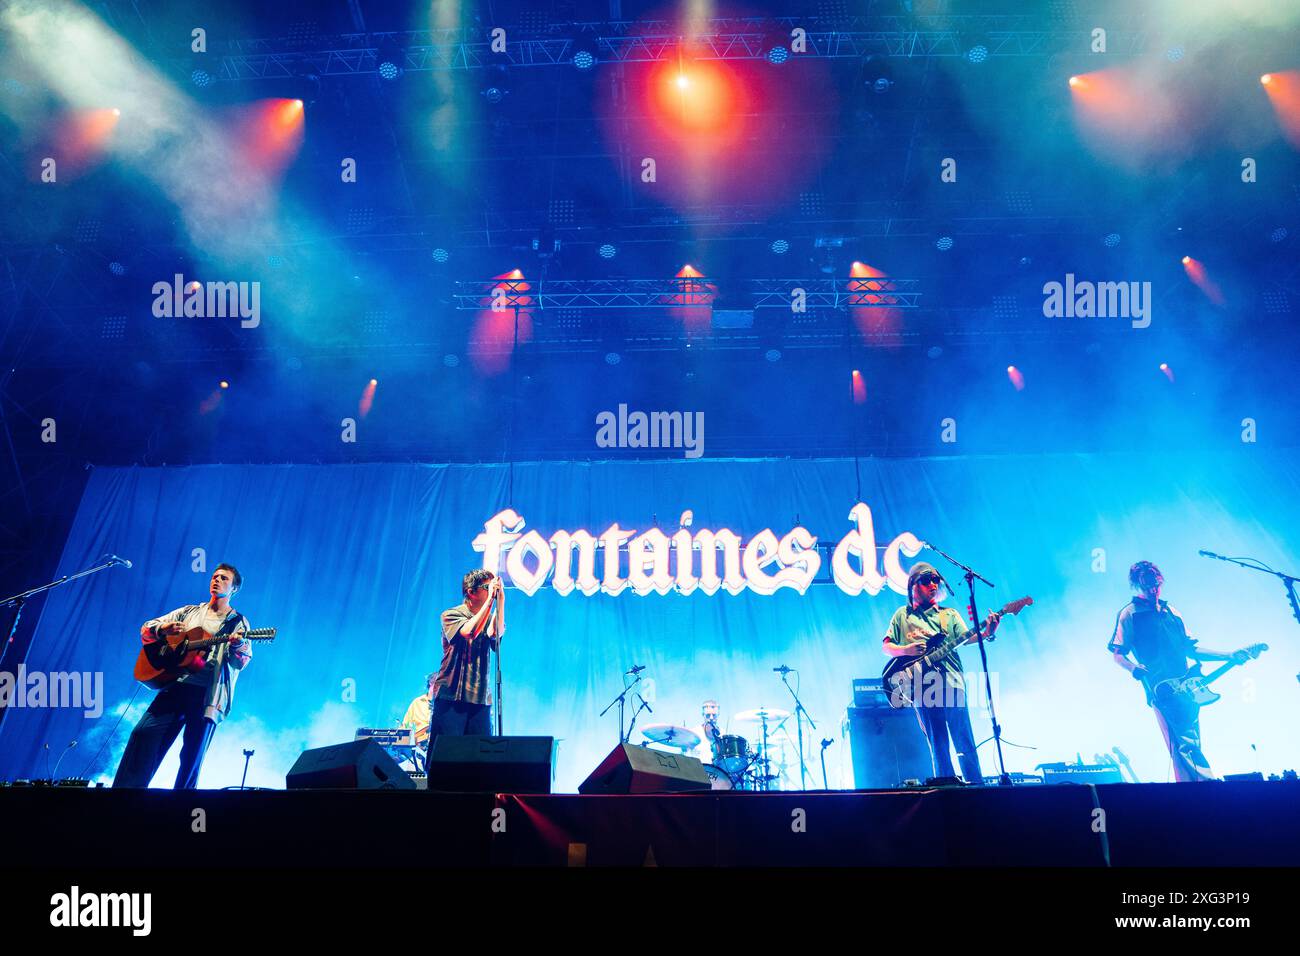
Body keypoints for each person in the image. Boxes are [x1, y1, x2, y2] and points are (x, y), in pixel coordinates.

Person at [1109, 560, 1253, 782]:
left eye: (1154, 581)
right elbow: (1118, 653)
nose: (1152, 587)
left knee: (1187, 742)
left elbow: (1191, 649)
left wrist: (1228, 655)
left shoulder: (1172, 612)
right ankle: (1207, 787)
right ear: (1137, 584)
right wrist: (1132, 668)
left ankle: (1190, 795)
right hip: (1161, 688)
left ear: (1160, 580)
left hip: (1188, 686)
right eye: (1145, 582)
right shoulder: (1130, 614)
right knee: (1185, 742)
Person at [114, 564, 251, 789]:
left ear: (234, 588)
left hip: (207, 695)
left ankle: (182, 810)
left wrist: (239, 644)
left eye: (224, 578)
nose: (216, 580)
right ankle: (124, 798)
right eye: (214, 576)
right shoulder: (188, 612)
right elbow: (146, 629)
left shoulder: (238, 623)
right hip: (175, 686)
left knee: (191, 758)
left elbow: (241, 661)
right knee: (142, 734)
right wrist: (164, 629)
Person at [882, 562, 999, 785]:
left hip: (952, 682)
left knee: (963, 738)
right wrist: (906, 649)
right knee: (938, 743)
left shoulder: (950, 615)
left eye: (936, 580)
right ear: (912, 586)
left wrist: (987, 633)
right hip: (921, 686)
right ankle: (946, 790)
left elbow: (967, 638)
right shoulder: (903, 615)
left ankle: (976, 788)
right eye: (926, 580)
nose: (932, 584)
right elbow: (886, 646)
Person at [431, 569, 504, 745]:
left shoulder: (489, 617)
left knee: (479, 757)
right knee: (447, 755)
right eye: (487, 587)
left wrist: (501, 600)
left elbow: (495, 633)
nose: (491, 591)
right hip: (451, 696)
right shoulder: (451, 614)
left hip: (480, 699)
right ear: (471, 592)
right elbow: (469, 631)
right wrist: (489, 603)